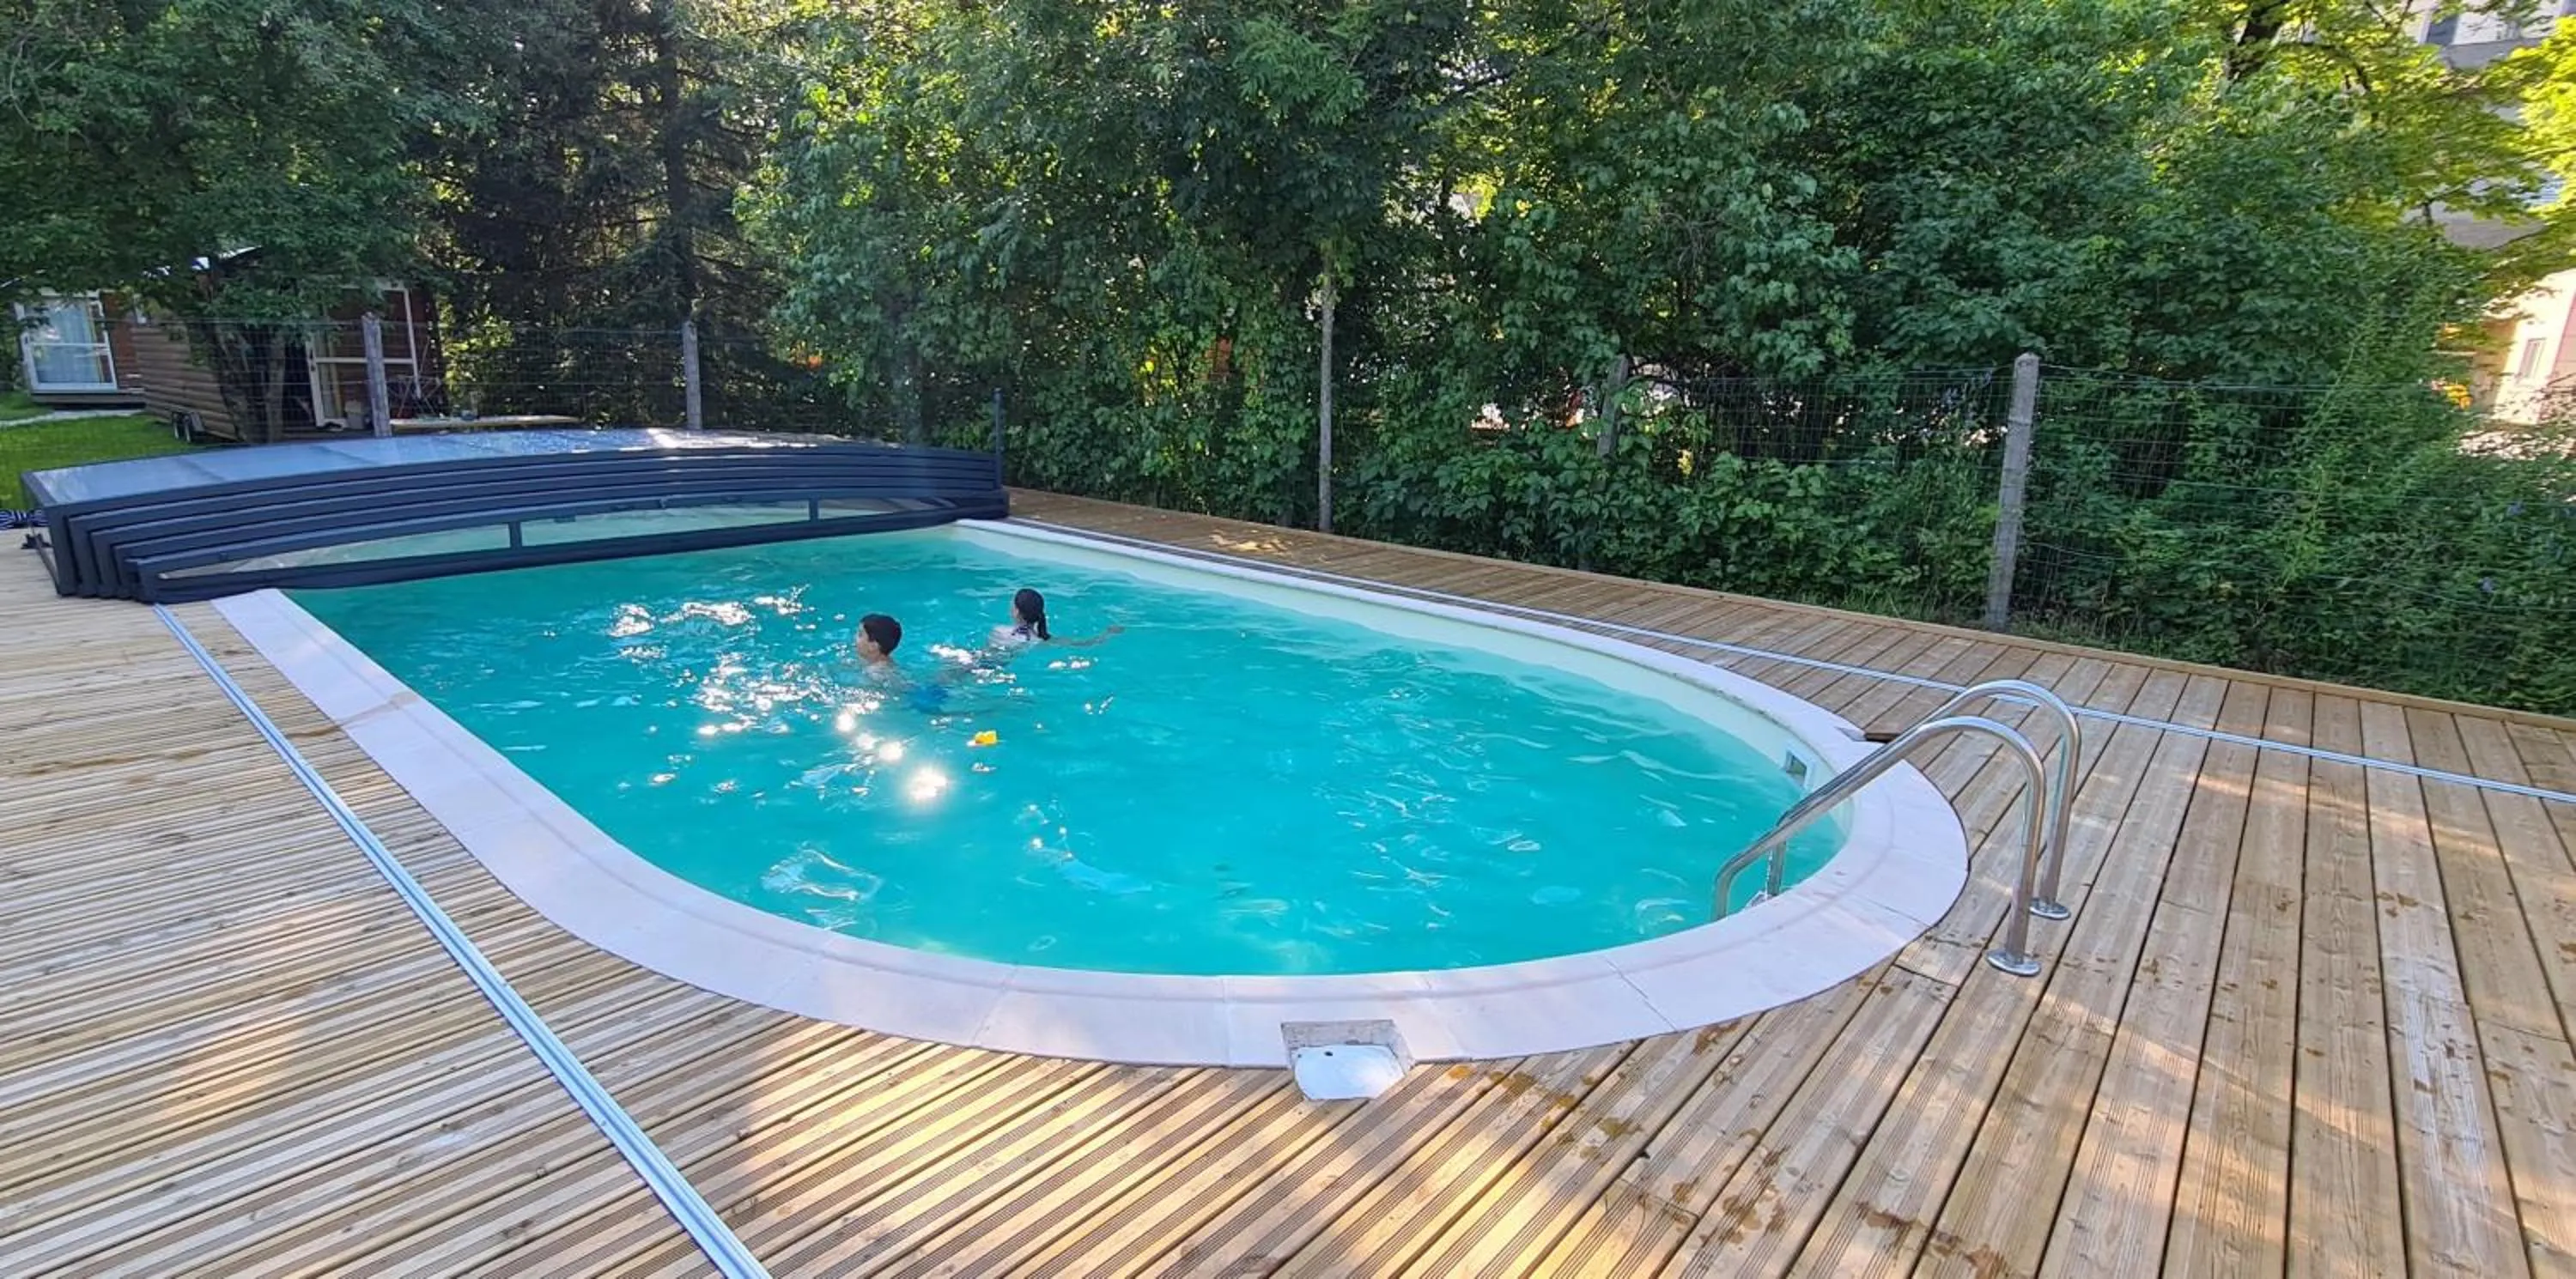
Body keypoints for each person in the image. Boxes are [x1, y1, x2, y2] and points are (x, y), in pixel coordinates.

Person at [988, 587, 1121, 652]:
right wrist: (1108, 634)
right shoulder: (1040, 641)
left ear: (1016, 612)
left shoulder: (999, 631)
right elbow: (1084, 643)